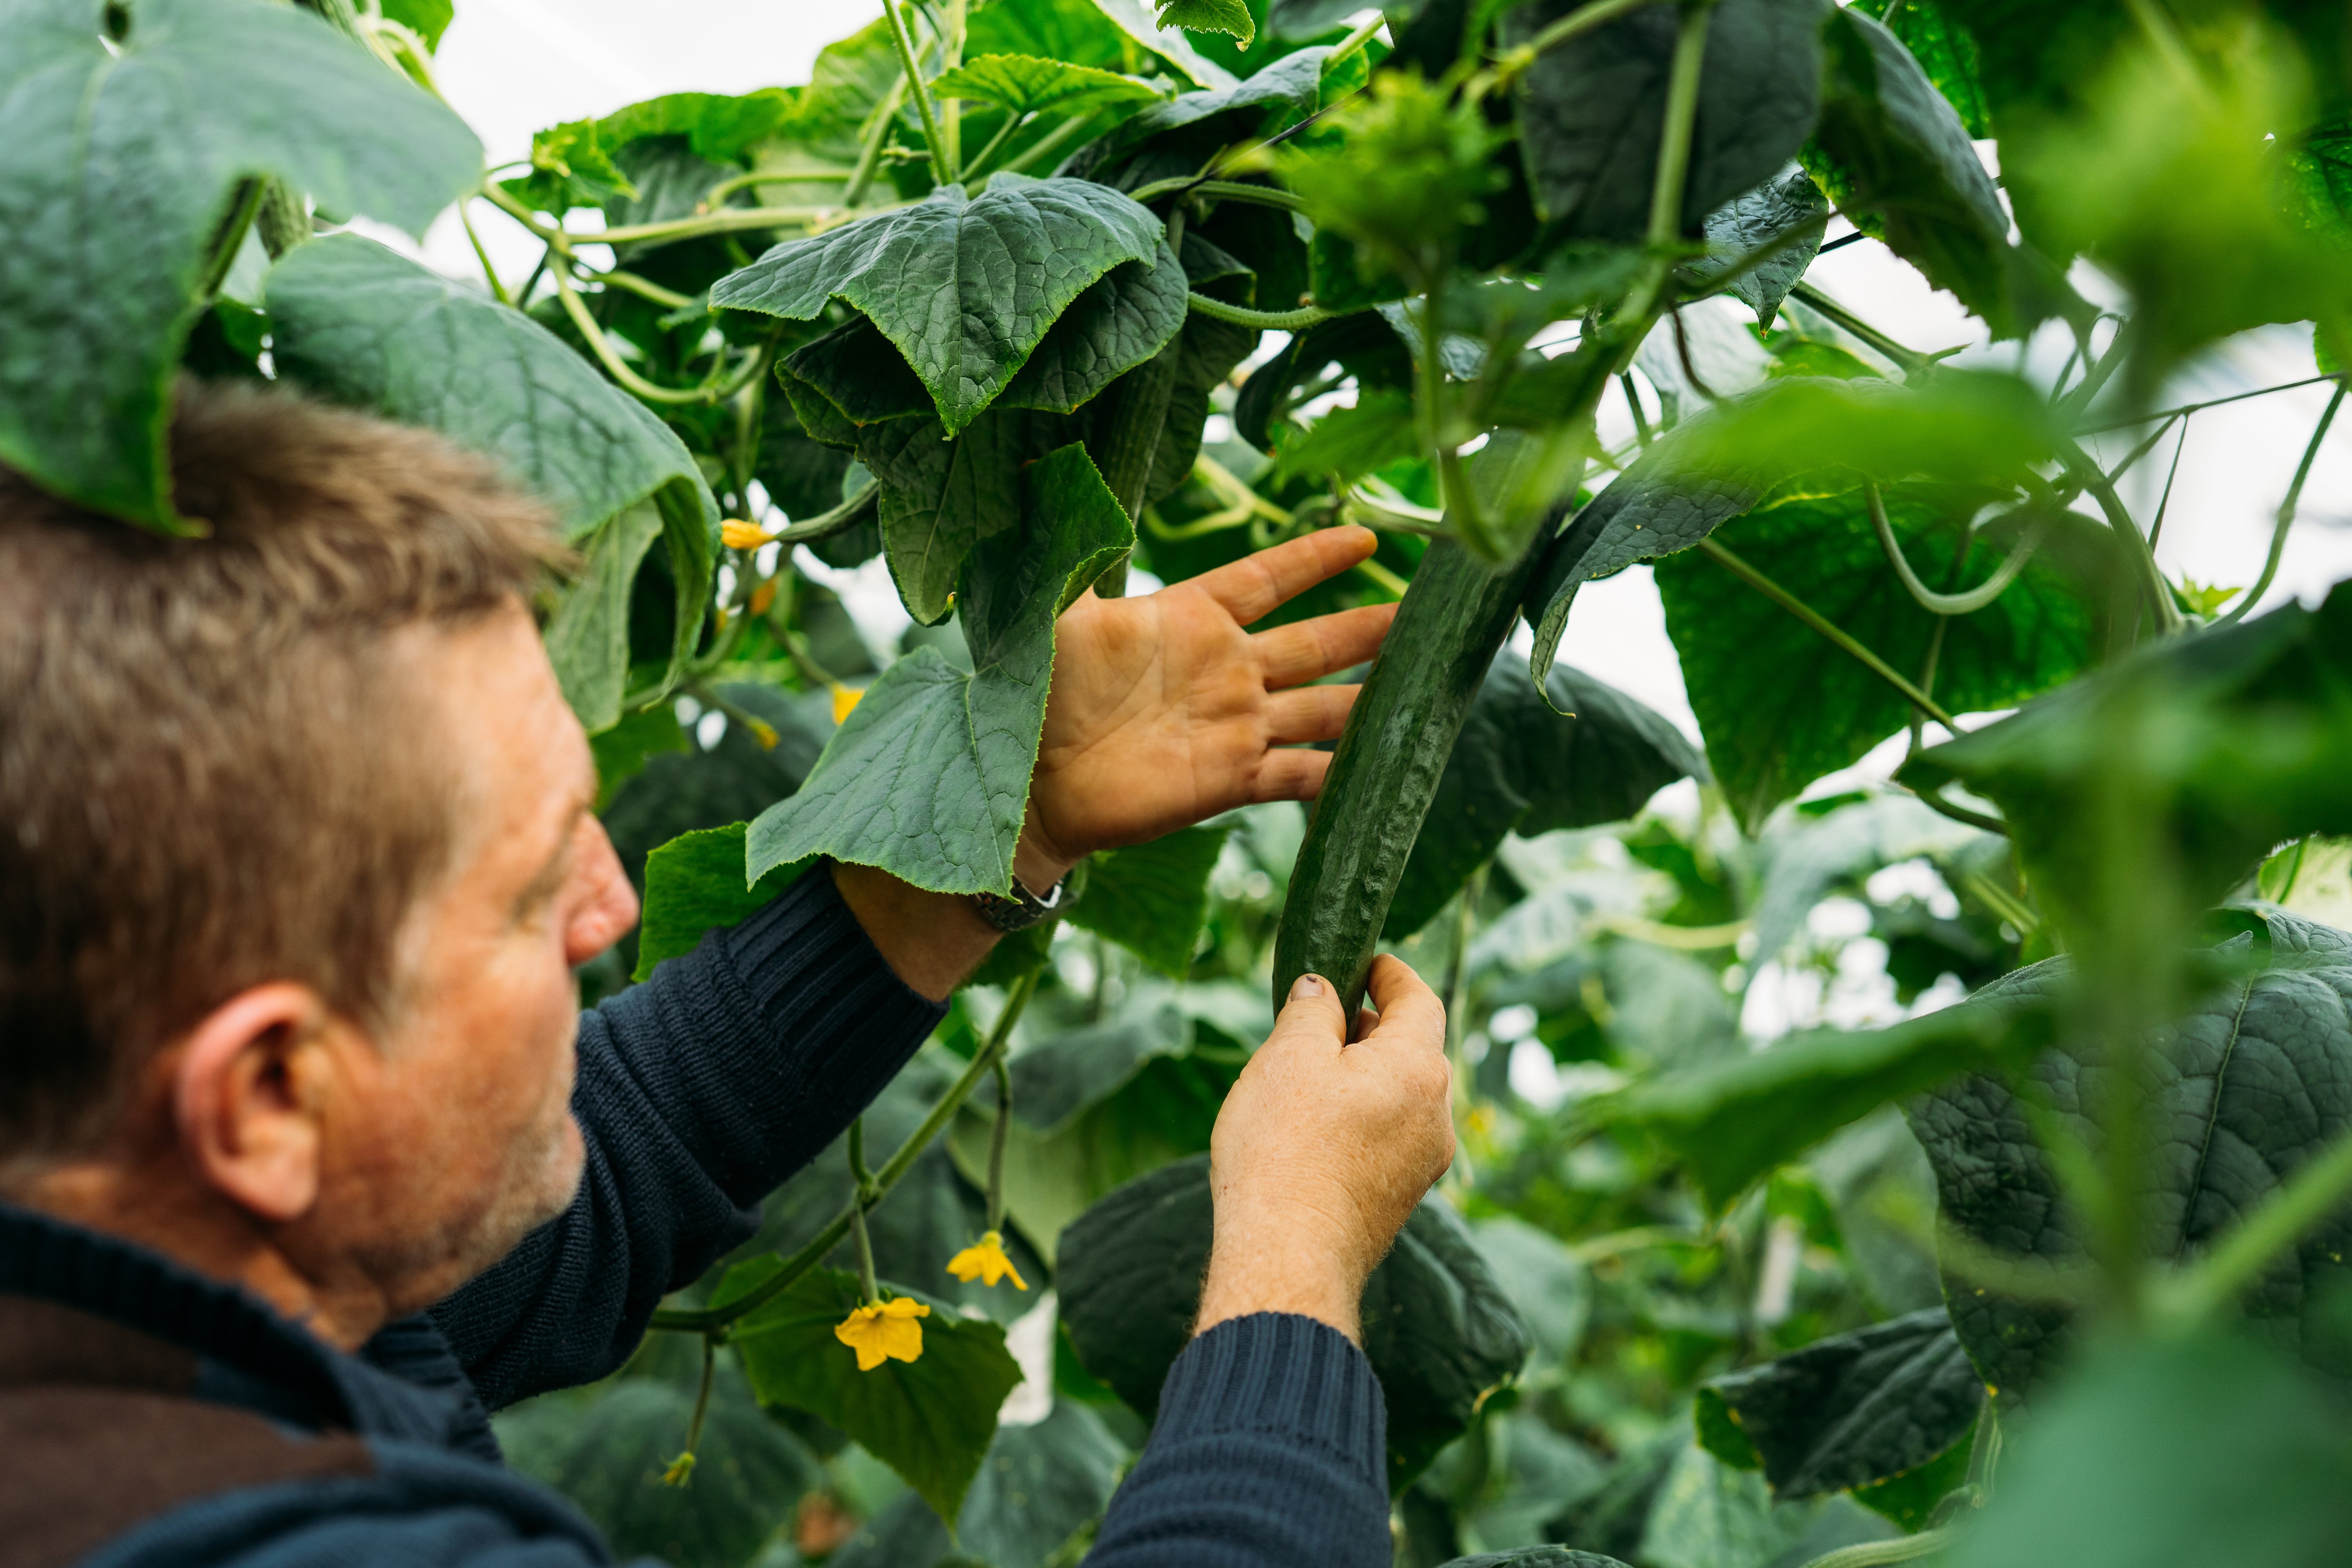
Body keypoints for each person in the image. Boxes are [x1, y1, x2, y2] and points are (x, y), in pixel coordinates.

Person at [0, 383, 1459, 1568]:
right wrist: (1294, 1258)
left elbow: (609, 1167)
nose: (609, 899)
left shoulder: (156, 1276)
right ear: (264, 1098)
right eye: (524, 893)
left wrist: (994, 824)